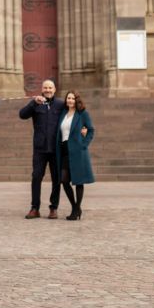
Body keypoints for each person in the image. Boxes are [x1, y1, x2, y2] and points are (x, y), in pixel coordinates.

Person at [19, 79, 64, 219]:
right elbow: (22, 115)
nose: (48, 90)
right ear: (42, 89)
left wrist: (84, 126)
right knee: (36, 177)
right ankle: (35, 208)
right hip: (40, 149)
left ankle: (53, 208)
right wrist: (33, 103)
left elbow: (73, 116)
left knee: (56, 179)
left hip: (56, 149)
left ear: (54, 90)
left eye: (50, 88)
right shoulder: (36, 103)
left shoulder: (60, 104)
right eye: (45, 88)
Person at [56, 91, 95, 220]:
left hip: (77, 150)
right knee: (64, 180)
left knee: (78, 181)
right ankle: (75, 207)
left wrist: (84, 144)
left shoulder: (82, 114)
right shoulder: (63, 113)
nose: (70, 100)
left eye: (73, 98)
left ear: (76, 100)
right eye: (68, 98)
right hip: (64, 150)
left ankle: (76, 208)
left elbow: (91, 130)